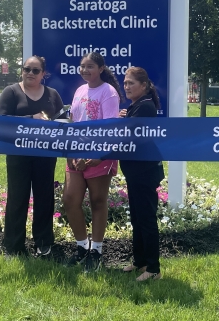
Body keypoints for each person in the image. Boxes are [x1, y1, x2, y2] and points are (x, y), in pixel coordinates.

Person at [0, 56, 63, 258]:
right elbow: (1, 122)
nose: (30, 74)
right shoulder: (11, 92)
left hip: (45, 156)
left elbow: (63, 122)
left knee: (45, 198)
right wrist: (30, 119)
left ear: (44, 74)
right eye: (27, 69)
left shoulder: (52, 95)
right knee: (18, 198)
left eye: (35, 70)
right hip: (18, 155)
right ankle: (13, 246)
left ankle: (43, 244)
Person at [63, 52, 121, 272]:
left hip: (99, 156)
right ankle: (81, 246)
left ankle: (96, 250)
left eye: (90, 67)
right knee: (70, 200)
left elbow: (111, 129)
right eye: (82, 66)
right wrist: (74, 153)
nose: (85, 70)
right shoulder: (79, 91)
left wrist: (97, 155)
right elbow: (73, 122)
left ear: (101, 68)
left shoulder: (109, 92)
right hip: (76, 155)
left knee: (98, 201)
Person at [119, 67, 164, 281]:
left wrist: (100, 156)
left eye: (131, 83)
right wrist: (124, 118)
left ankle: (153, 269)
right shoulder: (135, 107)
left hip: (145, 171)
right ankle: (140, 261)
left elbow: (129, 138)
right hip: (135, 172)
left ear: (143, 86)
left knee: (146, 218)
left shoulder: (145, 107)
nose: (126, 86)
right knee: (137, 217)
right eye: (125, 83)